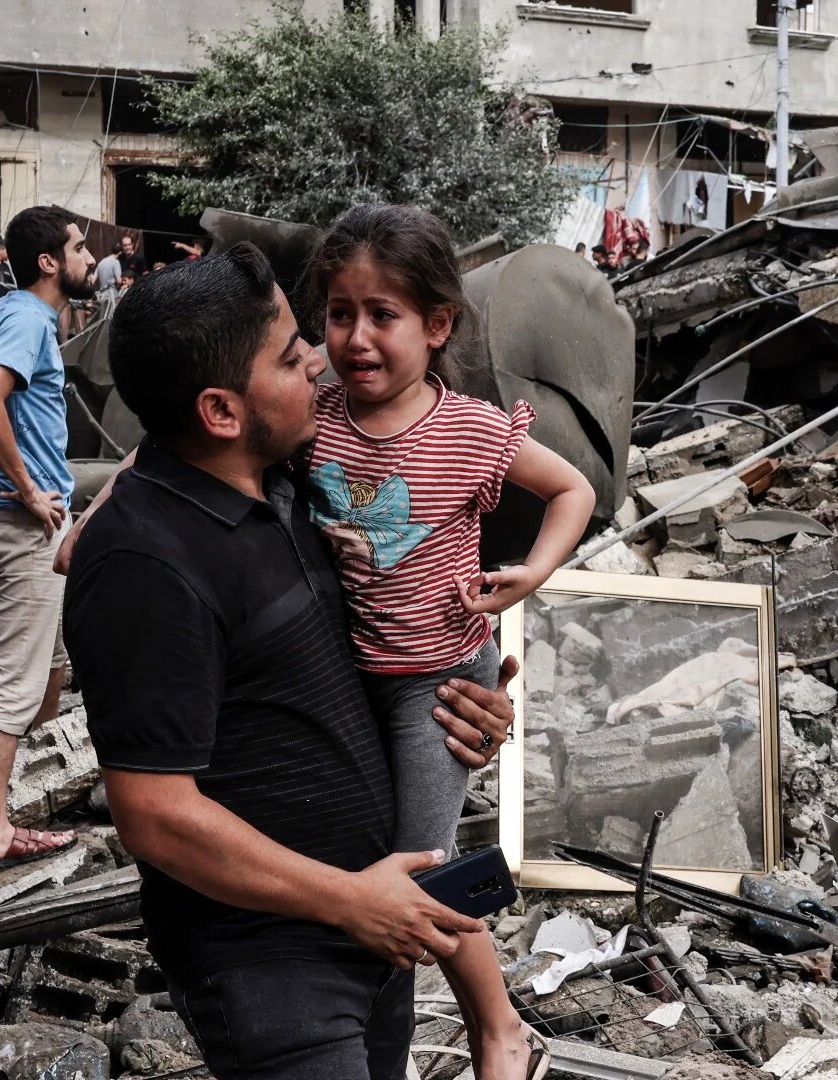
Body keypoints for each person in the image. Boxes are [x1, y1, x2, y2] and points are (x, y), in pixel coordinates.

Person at [62, 244, 519, 1080]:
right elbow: (153, 814)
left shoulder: (286, 484)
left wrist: (470, 704)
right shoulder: (145, 564)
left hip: (375, 927)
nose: (319, 358)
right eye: (287, 353)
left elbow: (348, 666)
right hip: (273, 967)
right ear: (221, 411)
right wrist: (348, 898)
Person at [303, 203, 589, 1080]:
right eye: (340, 314)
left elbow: (572, 490)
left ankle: (498, 1028)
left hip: (438, 681)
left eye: (383, 316)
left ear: (436, 326)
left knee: (417, 870)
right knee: (372, 859)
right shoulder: (312, 412)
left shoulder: (467, 430)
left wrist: (532, 574)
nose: (357, 338)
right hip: (350, 675)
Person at [0, 205, 93, 869]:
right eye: (79, 247)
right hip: (23, 523)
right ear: (49, 262)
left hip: (39, 518)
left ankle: (27, 796)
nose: (90, 258)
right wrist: (25, 487)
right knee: (16, 675)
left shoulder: (27, 315)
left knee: (50, 667)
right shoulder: (24, 317)